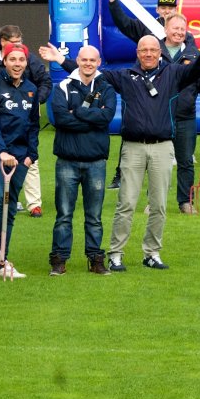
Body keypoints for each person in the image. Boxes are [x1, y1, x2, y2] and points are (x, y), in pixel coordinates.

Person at [43, 24, 200, 272]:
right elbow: (90, 70)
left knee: (159, 204)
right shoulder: (125, 76)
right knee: (126, 203)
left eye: (152, 50)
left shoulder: (174, 74)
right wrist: (61, 59)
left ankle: (152, 253)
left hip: (162, 147)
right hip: (132, 148)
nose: (148, 54)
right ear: (137, 53)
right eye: (143, 50)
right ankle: (116, 254)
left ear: (160, 52)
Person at [107, 0, 200, 211]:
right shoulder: (153, 52)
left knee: (186, 161)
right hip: (158, 116)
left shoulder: (194, 53)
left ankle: (185, 201)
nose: (178, 32)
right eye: (174, 28)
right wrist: (113, 1)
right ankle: (153, 202)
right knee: (156, 162)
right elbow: (124, 24)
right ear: (165, 29)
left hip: (185, 115)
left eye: (181, 29)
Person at [47, 45, 118, 276]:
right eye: (84, 59)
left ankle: (96, 259)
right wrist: (91, 119)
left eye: (92, 60)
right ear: (77, 60)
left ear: (99, 62)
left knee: (94, 217)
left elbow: (106, 117)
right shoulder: (64, 86)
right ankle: (59, 260)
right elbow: (60, 119)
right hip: (67, 161)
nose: (88, 63)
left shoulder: (106, 87)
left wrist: (75, 112)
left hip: (96, 161)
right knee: (64, 215)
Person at [0, 24, 52, 216]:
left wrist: (33, 101)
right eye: (13, 44)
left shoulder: (29, 59)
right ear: (2, 43)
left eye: (20, 44)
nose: (17, 50)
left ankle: (34, 204)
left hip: (22, 125)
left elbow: (45, 82)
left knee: (29, 163)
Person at [0, 43, 40, 278]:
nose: (17, 64)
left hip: (20, 157)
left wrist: (30, 156)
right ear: (4, 60)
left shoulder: (31, 89)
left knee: (10, 205)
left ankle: (1, 260)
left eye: (21, 60)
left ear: (26, 62)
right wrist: (2, 151)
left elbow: (34, 125)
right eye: (12, 59)